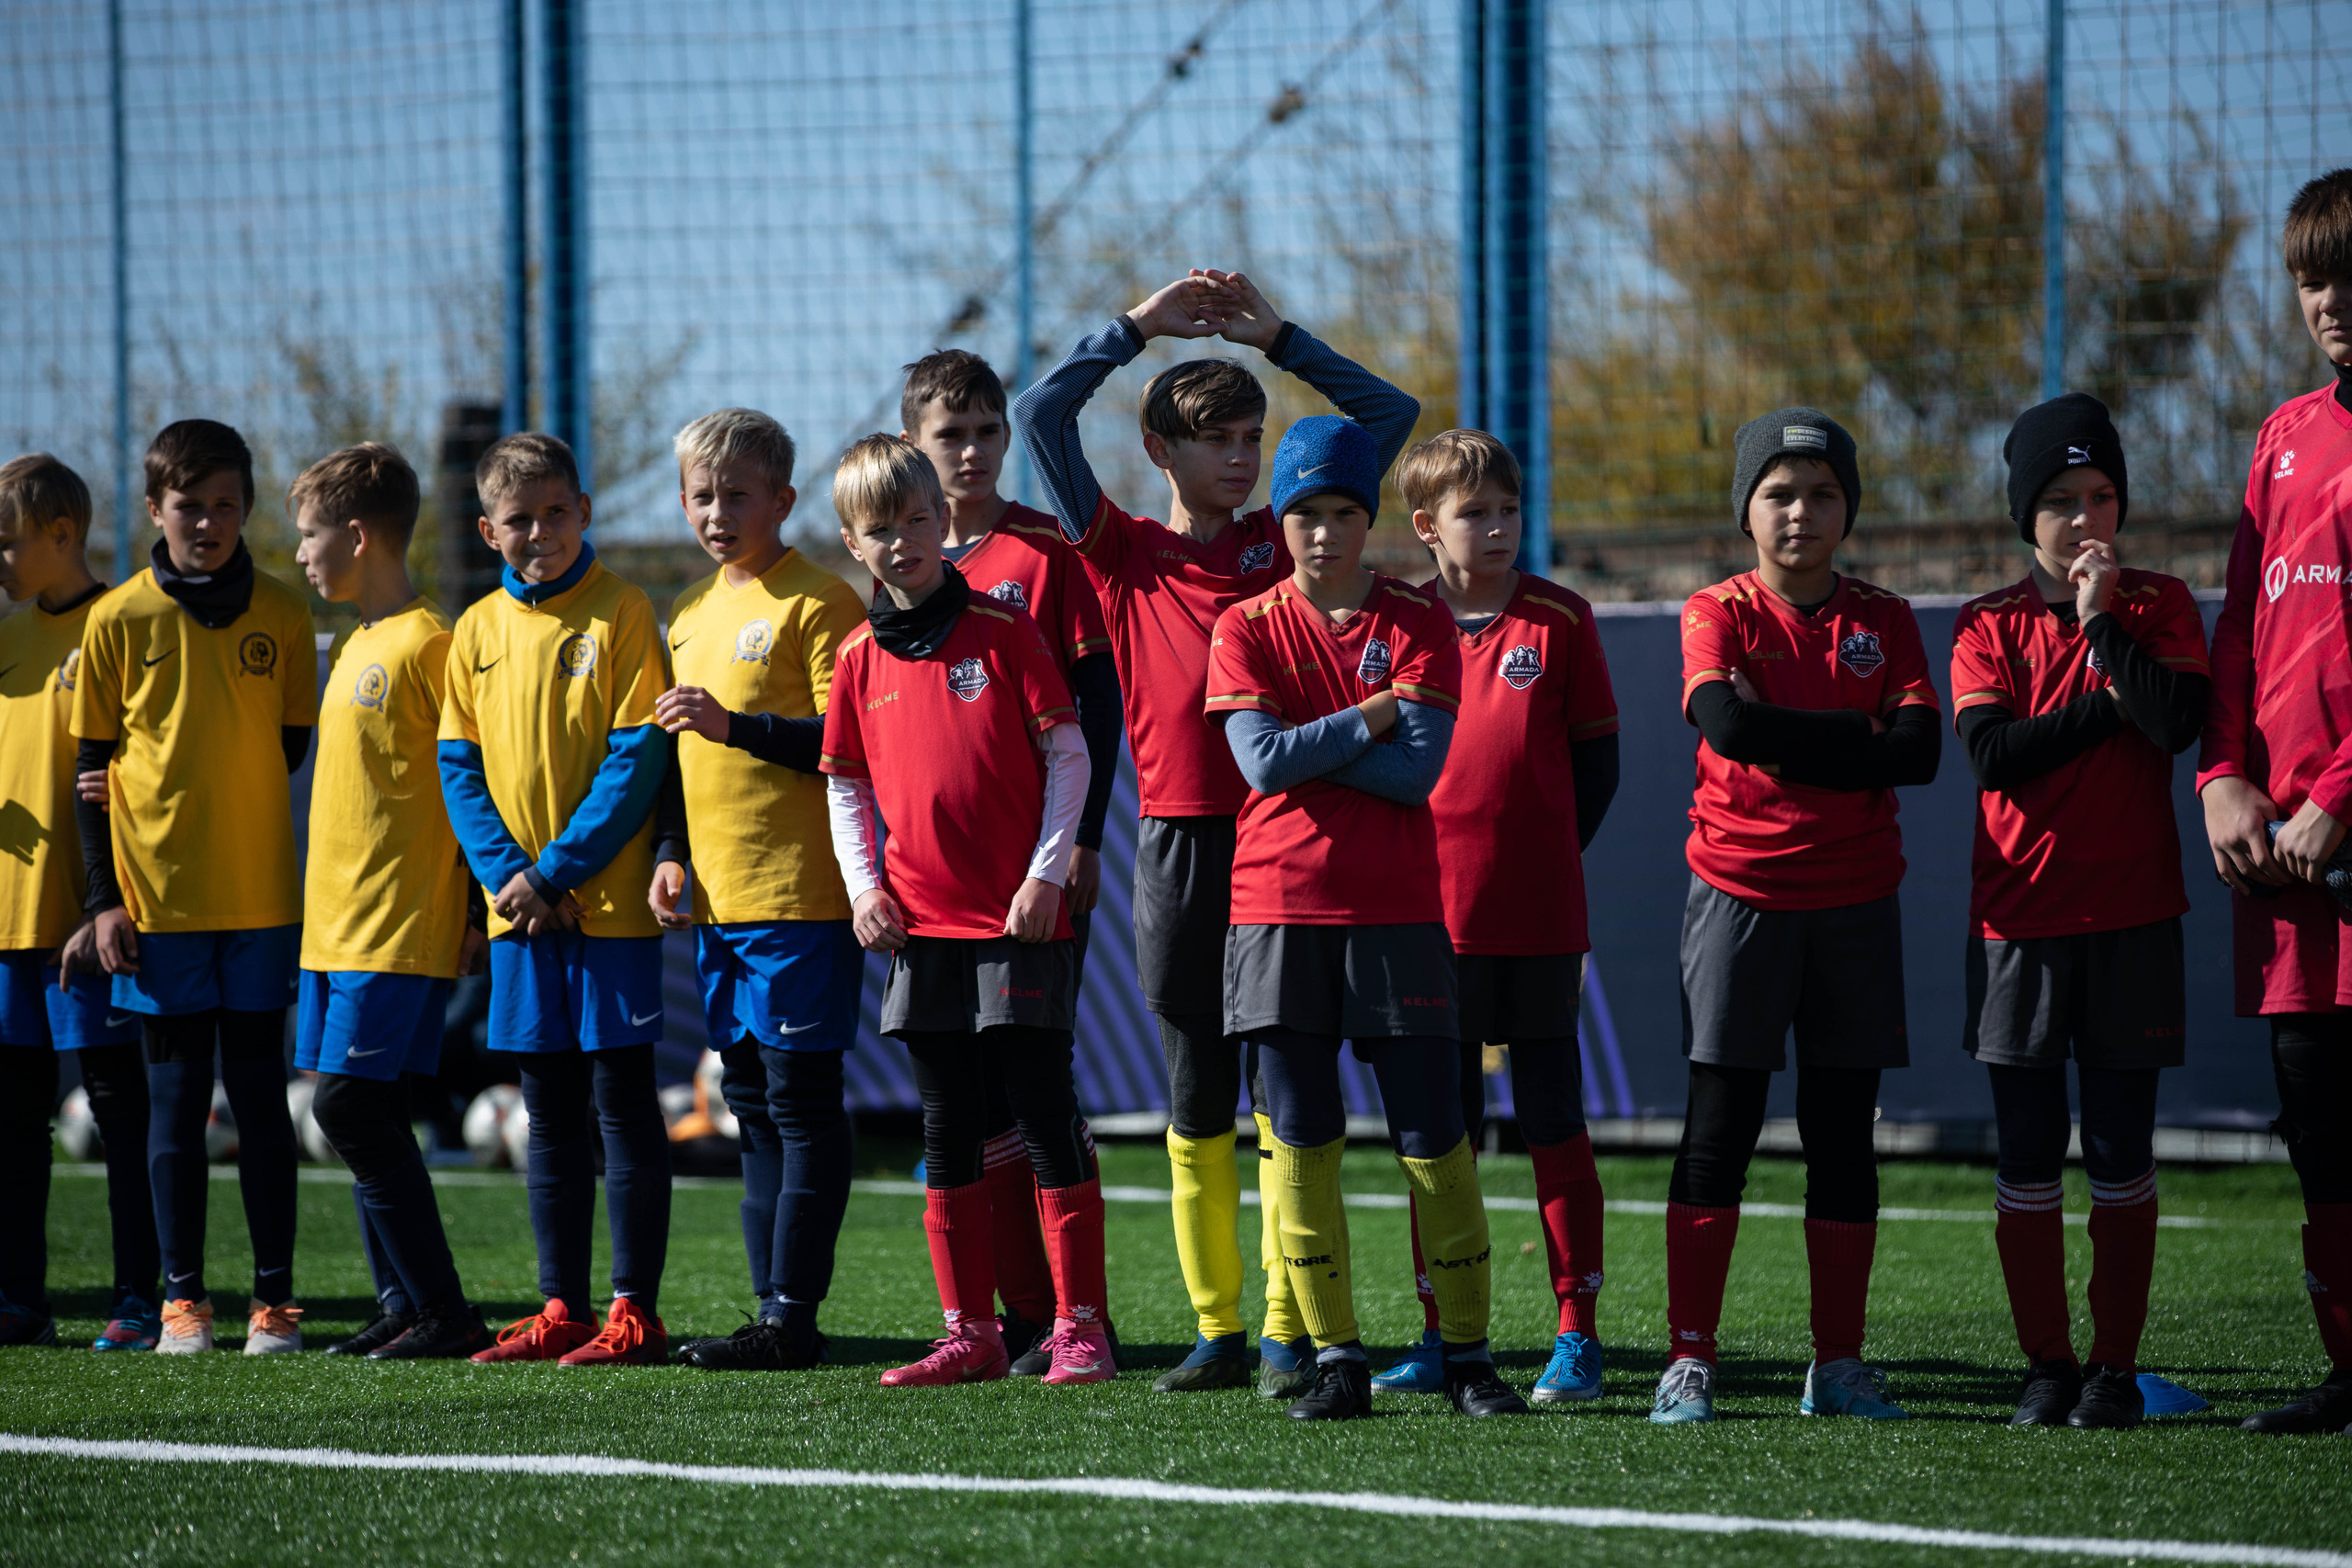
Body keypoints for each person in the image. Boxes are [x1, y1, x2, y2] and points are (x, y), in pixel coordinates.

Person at [1015, 269, 1420, 1396]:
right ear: (1162, 452)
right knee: (1196, 1092)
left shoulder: (1283, 545)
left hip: (1293, 837)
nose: (1241, 458)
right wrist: (1139, 328)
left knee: (1289, 1094)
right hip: (1184, 848)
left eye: (1250, 436)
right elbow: (1042, 414)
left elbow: (1387, 420)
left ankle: (1296, 1325)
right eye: (1215, 440)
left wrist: (1279, 337)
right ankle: (1220, 1329)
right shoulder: (1120, 552)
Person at [1205, 414, 1522, 1422]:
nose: (1325, 533)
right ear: (1281, 519)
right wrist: (1377, 710)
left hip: (1395, 915)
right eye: (1305, 513)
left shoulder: (1417, 621)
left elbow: (1417, 776)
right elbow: (1261, 764)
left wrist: (1320, 742)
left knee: (1436, 1143)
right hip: (1274, 912)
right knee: (1299, 1146)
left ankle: (1468, 1358)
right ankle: (1338, 1360)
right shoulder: (1244, 625)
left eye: (1344, 512)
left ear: (1372, 517)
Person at [1652, 409, 1940, 1425]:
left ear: (1847, 509)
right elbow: (1722, 724)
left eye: (1821, 493)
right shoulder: (1714, 611)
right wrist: (1847, 736)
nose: (1800, 513)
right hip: (1739, 898)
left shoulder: (1886, 617)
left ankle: (1840, 1364)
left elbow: (1918, 752)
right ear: (1746, 510)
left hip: (1855, 901)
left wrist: (1786, 739)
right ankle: (1690, 1359)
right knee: (1716, 1130)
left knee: (1841, 1138)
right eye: (1778, 493)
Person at [820, 434, 1110, 1387]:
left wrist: (1047, 871)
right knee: (944, 1123)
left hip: (1018, 918)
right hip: (921, 926)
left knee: (1038, 1107)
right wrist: (865, 890)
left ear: (941, 522)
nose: (901, 541)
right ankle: (971, 1333)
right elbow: (847, 789)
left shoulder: (1006, 630)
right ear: (852, 544)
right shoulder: (857, 657)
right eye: (878, 529)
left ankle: (1080, 1327)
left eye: (915, 520)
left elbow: (1069, 756)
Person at [1950, 397, 2208, 1428]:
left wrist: (2102, 625)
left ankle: (2109, 1369)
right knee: (2024, 1157)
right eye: (2059, 501)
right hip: (2017, 927)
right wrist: (2107, 703)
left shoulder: (2159, 604)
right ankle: (2046, 1365)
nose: (2083, 518)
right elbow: (1993, 756)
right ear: (2026, 514)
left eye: (2101, 496)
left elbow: (2177, 722)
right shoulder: (1985, 624)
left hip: (2134, 917)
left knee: (2120, 1155)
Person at [1361, 429, 1618, 1405]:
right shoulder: (1396, 624)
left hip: (1539, 919)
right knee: (1443, 1132)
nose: (1498, 526)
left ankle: (1576, 1332)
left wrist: (1538, 858)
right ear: (1426, 526)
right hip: (1425, 923)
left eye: (1508, 508)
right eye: (1475, 512)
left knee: (1554, 1119)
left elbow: (1596, 772)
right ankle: (1443, 1332)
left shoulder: (1562, 618)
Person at [72, 419, 316, 1355]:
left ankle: (274, 1304)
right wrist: (104, 900)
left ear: (246, 509)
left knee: (260, 1106)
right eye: (188, 507)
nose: (207, 524)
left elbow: (287, 747)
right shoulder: (118, 619)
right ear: (154, 511)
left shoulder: (286, 614)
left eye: (224, 506)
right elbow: (91, 767)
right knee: (174, 1111)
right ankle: (183, 1303)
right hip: (158, 912)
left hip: (258, 906)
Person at [899, 352, 1121, 1371]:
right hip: (937, 889)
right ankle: (1021, 1319)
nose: (975, 451)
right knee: (968, 1102)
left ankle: (1082, 1320)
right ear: (915, 445)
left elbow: (1093, 706)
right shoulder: (896, 560)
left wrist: (1079, 842)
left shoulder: (1042, 550)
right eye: (952, 434)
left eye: (989, 430)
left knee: (1036, 1084)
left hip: (1033, 872)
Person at [437, 432, 673, 1368]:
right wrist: (510, 881)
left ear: (584, 513)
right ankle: (562, 1306)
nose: (539, 533)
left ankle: (635, 1311)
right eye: (519, 520)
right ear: (488, 530)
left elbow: (637, 758)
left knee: (620, 1101)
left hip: (602, 910)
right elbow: (460, 772)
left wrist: (555, 874)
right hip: (521, 918)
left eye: (556, 514)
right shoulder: (474, 634)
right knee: (545, 1107)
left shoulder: (622, 612)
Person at [650, 409, 865, 1372]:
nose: (717, 510)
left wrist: (734, 727)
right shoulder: (689, 614)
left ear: (782, 500)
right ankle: (769, 1311)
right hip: (719, 906)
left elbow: (847, 743)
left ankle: (795, 1314)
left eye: (737, 494)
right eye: (701, 494)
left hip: (802, 899)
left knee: (800, 1100)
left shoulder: (820, 603)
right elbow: (671, 754)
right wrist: (666, 851)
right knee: (748, 1103)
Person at [2199, 165, 2352, 1435]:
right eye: (2312, 279)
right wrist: (2222, 775)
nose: (2332, 301)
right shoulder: (2283, 433)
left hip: (2341, 835)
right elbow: (2239, 629)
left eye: (2349, 274)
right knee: (2320, 1127)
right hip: (2286, 859)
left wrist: (2342, 795)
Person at [288, 443, 493, 1360]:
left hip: (393, 926)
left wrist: (472, 912)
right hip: (331, 932)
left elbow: (466, 786)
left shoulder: (427, 643)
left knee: (350, 1110)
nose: (299, 553)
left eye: (309, 535)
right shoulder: (358, 643)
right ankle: (403, 1305)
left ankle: (445, 1313)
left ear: (359, 536)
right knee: (363, 1114)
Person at [0, 453, 148, 1348]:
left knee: (116, 1114)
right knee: (13, 1125)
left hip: (90, 930)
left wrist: (112, 901)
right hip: (10, 926)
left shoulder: (123, 626)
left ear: (63, 535)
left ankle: (141, 1295)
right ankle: (19, 1295)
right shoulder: (6, 638)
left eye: (7, 542)